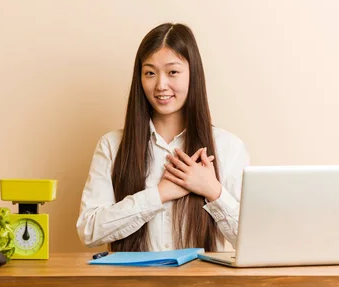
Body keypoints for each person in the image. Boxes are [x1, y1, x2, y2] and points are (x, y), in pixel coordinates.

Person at [76, 23, 250, 252]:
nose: (161, 85)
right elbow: (89, 231)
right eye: (150, 73)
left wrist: (213, 191)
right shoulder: (112, 145)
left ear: (193, 75)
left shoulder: (227, 147)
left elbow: (251, 242)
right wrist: (159, 194)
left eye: (173, 72)